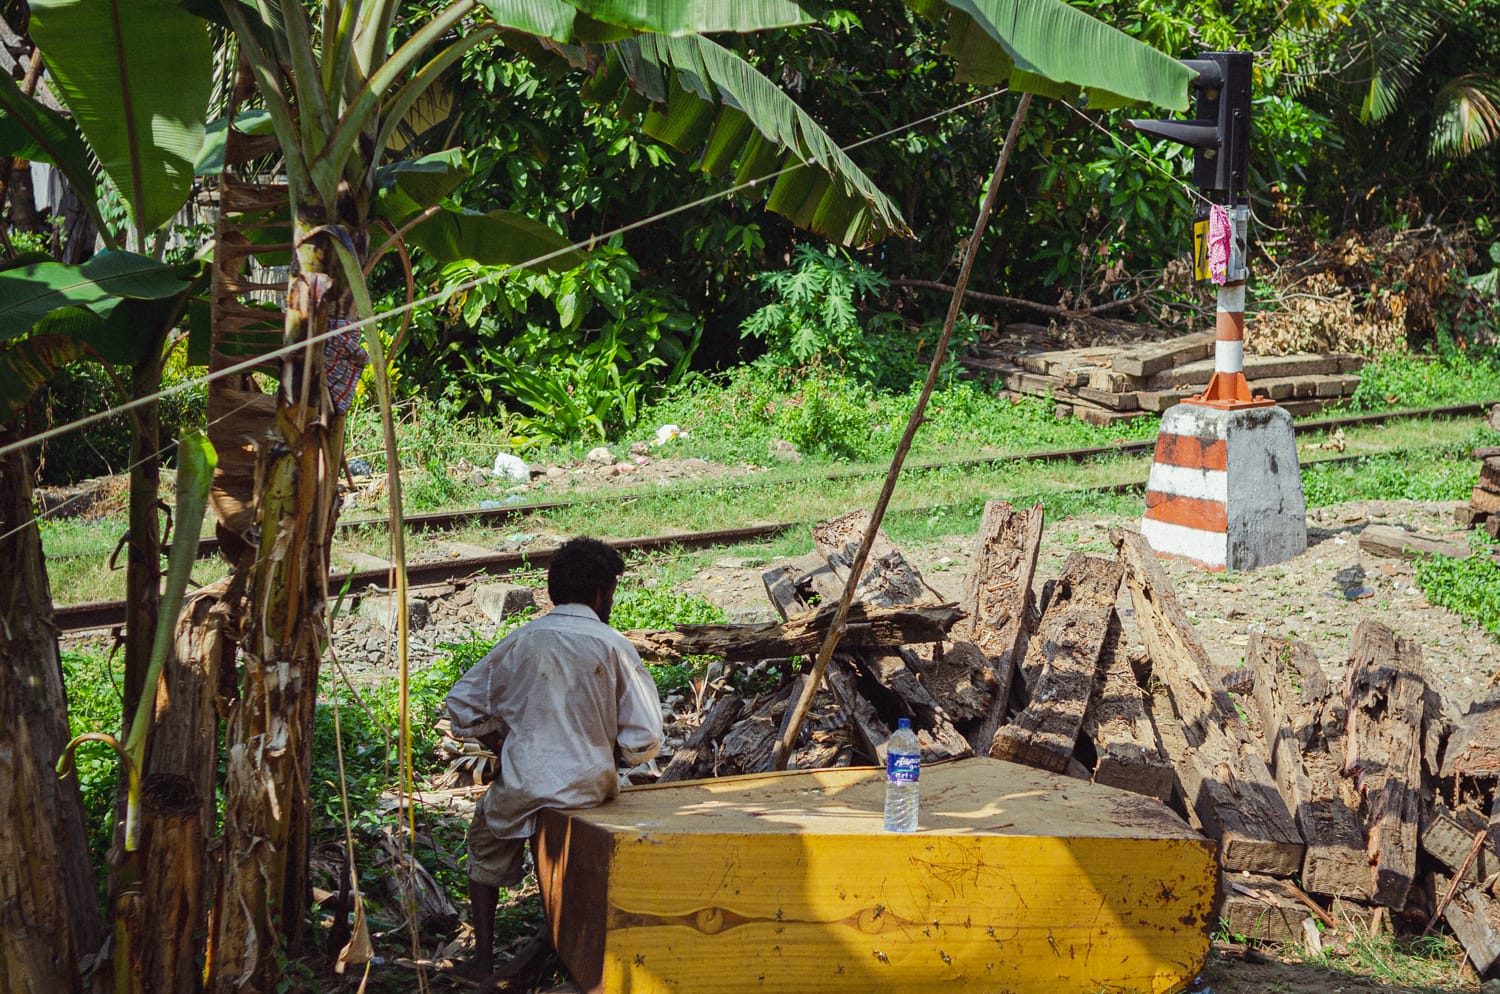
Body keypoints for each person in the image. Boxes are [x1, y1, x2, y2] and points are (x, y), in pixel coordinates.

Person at [446, 537, 663, 980]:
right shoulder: (613, 645)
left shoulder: (522, 641)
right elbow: (646, 737)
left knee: (485, 849)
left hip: (523, 786)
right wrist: (609, 755)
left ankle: (483, 961)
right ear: (603, 594)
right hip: (589, 790)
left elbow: (462, 705)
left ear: (551, 591)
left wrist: (500, 743)